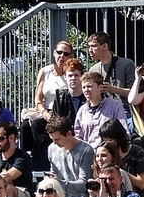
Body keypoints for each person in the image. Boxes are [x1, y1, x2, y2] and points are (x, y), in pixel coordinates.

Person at [20, 40, 73, 169]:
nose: (62, 56)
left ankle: (46, 159)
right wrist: (44, 112)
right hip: (46, 110)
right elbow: (38, 99)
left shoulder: (71, 73)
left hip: (63, 111)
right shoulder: (45, 71)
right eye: (59, 52)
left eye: (66, 54)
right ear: (54, 53)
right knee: (25, 126)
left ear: (70, 56)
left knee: (39, 129)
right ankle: (27, 159)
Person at [46, 116, 94, 197]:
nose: (54, 143)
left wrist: (61, 183)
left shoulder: (86, 150)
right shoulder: (51, 148)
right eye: (52, 139)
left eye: (57, 139)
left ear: (69, 133)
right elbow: (53, 173)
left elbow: (84, 184)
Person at [73, 71, 130, 148]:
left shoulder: (115, 106)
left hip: (109, 153)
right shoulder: (82, 111)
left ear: (100, 87)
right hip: (87, 154)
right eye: (83, 87)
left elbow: (124, 132)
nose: (86, 90)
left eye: (89, 86)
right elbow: (78, 136)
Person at [86, 31, 136, 112]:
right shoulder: (93, 70)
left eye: (94, 46)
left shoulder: (126, 64)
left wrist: (114, 89)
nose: (90, 50)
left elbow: (134, 93)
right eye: (89, 47)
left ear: (105, 46)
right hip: (102, 112)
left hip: (125, 111)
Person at [98, 119, 144, 193]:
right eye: (104, 140)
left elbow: (141, 184)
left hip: (133, 195)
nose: (107, 143)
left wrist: (119, 170)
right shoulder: (105, 154)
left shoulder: (137, 152)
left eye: (110, 140)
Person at [51, 57, 87, 125]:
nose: (73, 78)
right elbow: (55, 122)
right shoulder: (60, 98)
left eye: (76, 75)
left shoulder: (89, 96)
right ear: (65, 76)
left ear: (81, 76)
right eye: (70, 75)